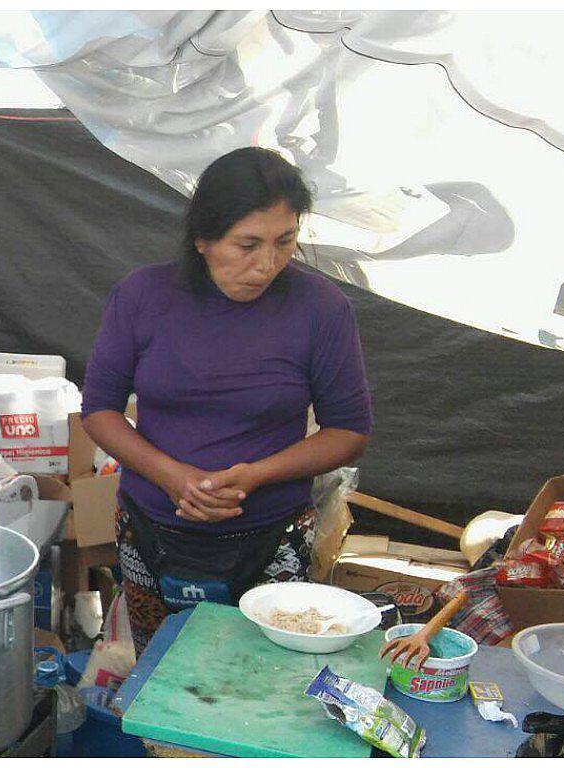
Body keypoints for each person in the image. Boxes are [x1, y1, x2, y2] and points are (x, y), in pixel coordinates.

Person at [80, 147, 373, 655]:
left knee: (262, 676)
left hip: (271, 537)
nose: (267, 265)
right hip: (152, 530)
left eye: (285, 242)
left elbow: (347, 433)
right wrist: (172, 476)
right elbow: (99, 410)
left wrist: (255, 475)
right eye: (247, 245)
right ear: (202, 239)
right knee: (163, 668)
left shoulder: (322, 310)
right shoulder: (142, 297)